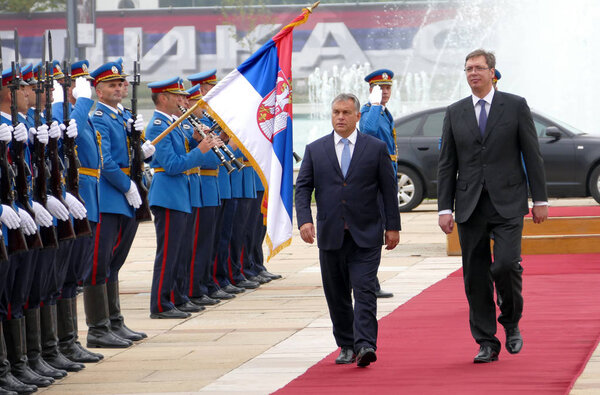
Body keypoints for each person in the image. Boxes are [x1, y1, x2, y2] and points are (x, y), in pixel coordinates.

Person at [437, 49, 548, 363]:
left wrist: (540, 199)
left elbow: (532, 154)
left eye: (479, 68)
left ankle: (511, 321)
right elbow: (447, 164)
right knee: (475, 276)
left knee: (505, 265)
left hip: (508, 203)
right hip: (470, 204)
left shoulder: (514, 106)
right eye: (468, 69)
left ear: (492, 72)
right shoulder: (455, 112)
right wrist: (444, 207)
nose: (473, 73)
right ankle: (486, 341)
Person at [295, 93, 400, 367]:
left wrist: (393, 227)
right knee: (337, 293)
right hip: (330, 234)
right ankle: (346, 344)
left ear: (357, 117)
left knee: (364, 289)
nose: (340, 117)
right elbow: (303, 187)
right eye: (335, 112)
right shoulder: (315, 149)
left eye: (345, 112)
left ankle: (365, 344)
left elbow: (389, 190)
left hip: (366, 233)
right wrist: (304, 219)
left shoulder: (375, 148)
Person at [145, 77, 216, 319]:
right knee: (168, 253)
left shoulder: (173, 124)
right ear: (163, 98)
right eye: (177, 95)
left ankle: (177, 297)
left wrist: (196, 140)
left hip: (179, 194)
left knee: (181, 251)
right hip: (168, 194)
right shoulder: (157, 125)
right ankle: (161, 304)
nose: (182, 99)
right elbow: (173, 165)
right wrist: (200, 150)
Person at [359, 68, 398, 299]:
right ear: (371, 90)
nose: (384, 91)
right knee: (373, 234)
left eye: (387, 87)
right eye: (379, 87)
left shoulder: (384, 113)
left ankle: (370, 280)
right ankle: (369, 282)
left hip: (386, 178)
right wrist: (373, 105)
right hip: (374, 182)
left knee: (378, 231)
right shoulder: (369, 112)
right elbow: (367, 131)